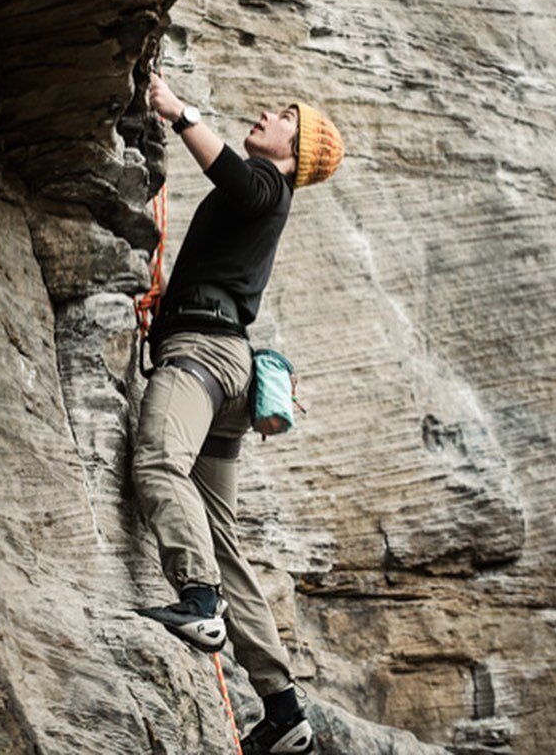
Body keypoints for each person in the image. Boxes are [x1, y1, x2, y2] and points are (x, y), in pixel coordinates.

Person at [132, 71, 344, 755]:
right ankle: (282, 709)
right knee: (223, 536)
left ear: (297, 147)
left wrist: (174, 109)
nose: (266, 112)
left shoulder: (266, 186)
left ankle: (199, 604)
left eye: (283, 114)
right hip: (230, 372)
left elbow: (234, 174)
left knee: (158, 459)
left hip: (201, 354)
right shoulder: (267, 194)